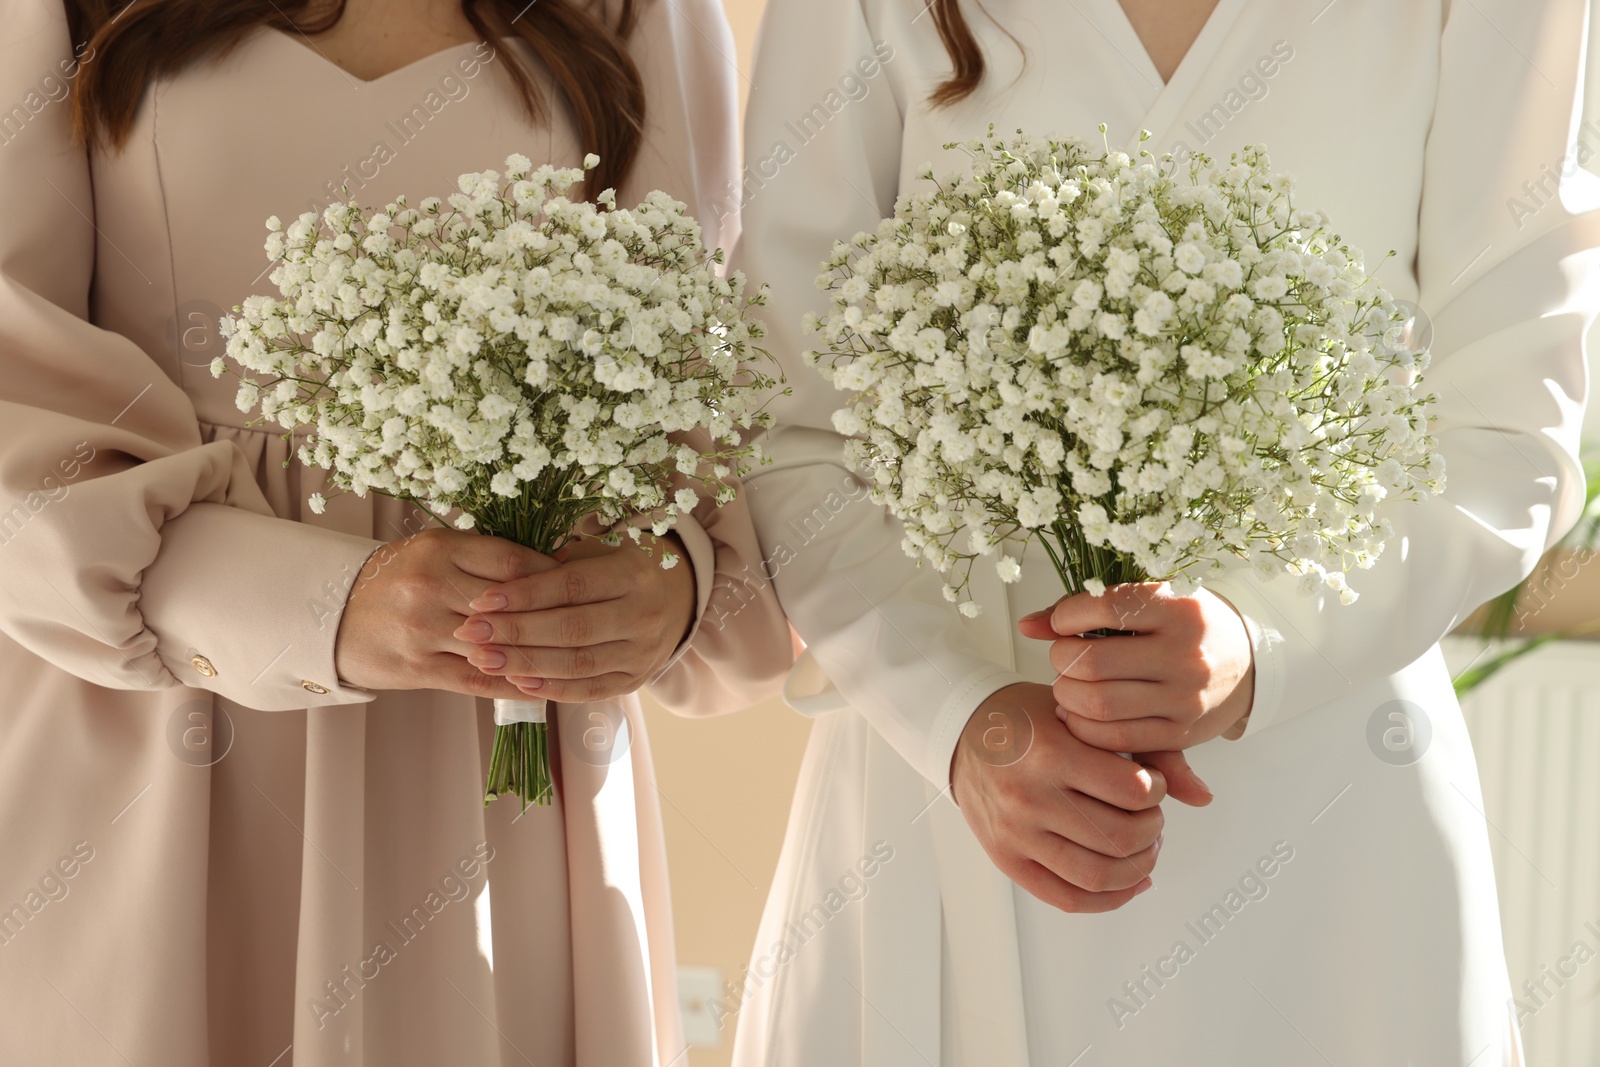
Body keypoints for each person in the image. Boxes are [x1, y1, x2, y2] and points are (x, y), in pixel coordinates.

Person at [729, 0, 1600, 1063]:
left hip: (1330, 811)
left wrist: (1262, 640)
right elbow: (786, 417)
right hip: (950, 795)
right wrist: (958, 720)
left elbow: (1506, 438)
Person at [0, 1, 791, 1064]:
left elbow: (713, 379)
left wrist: (670, 581)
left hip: (502, 735)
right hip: (151, 733)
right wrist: (316, 605)